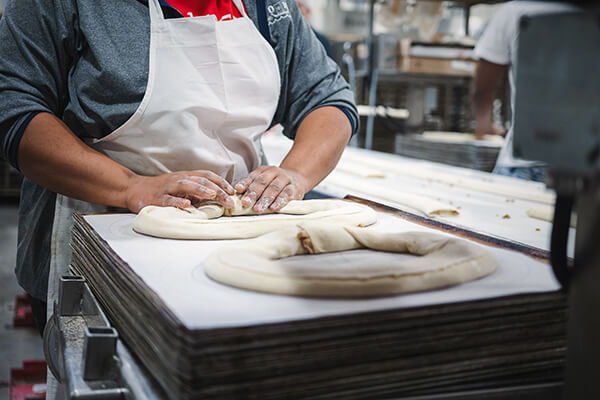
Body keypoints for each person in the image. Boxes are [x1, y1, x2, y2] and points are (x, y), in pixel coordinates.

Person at [0, 0, 357, 337]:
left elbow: (326, 98)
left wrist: (296, 173)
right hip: (97, 233)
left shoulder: (264, 6)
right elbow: (14, 105)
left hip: (240, 240)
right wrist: (130, 187)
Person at [471, 1, 579, 182]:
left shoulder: (516, 10)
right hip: (585, 165)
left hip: (523, 164)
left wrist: (484, 123)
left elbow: (484, 86)